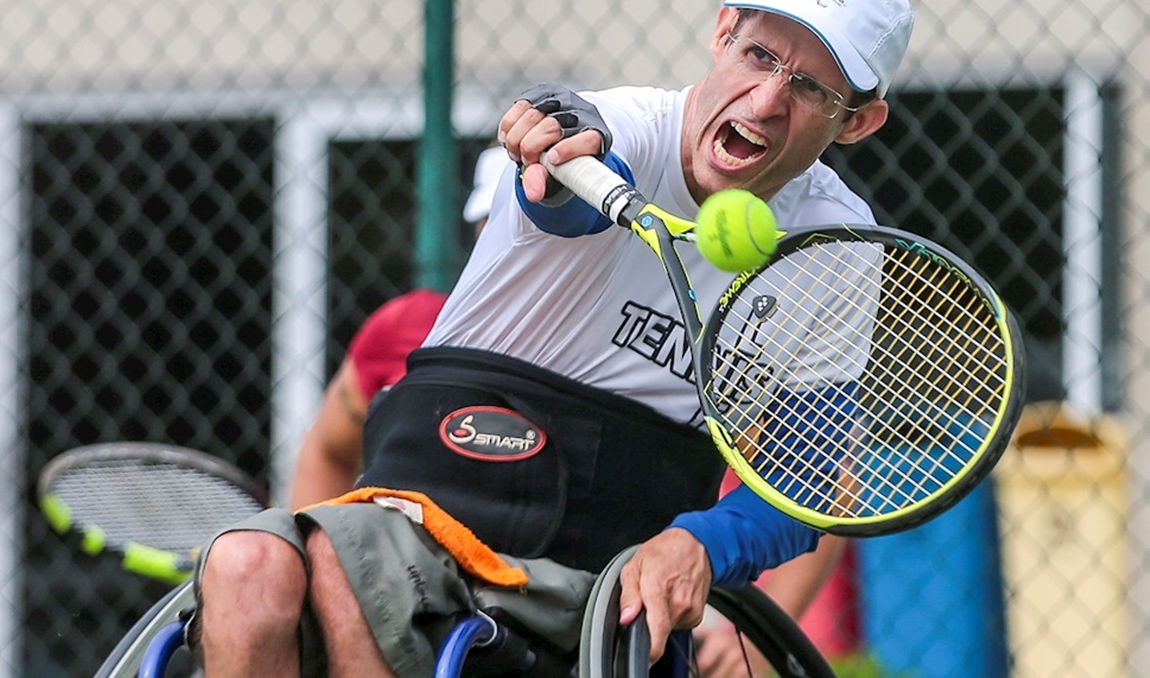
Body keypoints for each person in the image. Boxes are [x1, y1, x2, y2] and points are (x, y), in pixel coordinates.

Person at [192, 1, 915, 676]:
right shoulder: (626, 126)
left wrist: (701, 544)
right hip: (430, 503)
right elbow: (573, 184)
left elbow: (807, 475)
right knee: (244, 568)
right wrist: (560, 141)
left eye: (813, 90)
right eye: (759, 55)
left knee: (346, 591)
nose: (766, 102)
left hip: (604, 579)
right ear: (723, 30)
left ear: (857, 121)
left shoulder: (836, 248)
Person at [289, 146, 509, 510]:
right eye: (499, 217)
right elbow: (328, 452)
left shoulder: (612, 340)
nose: (520, 237)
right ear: (477, 227)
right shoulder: (404, 325)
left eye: (543, 221)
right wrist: (312, 554)